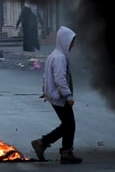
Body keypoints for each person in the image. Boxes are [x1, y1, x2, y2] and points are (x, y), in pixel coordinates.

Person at [31, 26, 83, 164]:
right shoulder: (60, 58)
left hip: (54, 95)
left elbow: (45, 75)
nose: (73, 44)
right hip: (59, 97)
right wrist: (68, 96)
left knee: (67, 124)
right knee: (69, 125)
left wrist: (45, 89)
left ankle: (53, 147)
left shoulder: (53, 55)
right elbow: (60, 79)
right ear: (65, 41)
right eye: (72, 41)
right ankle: (48, 145)